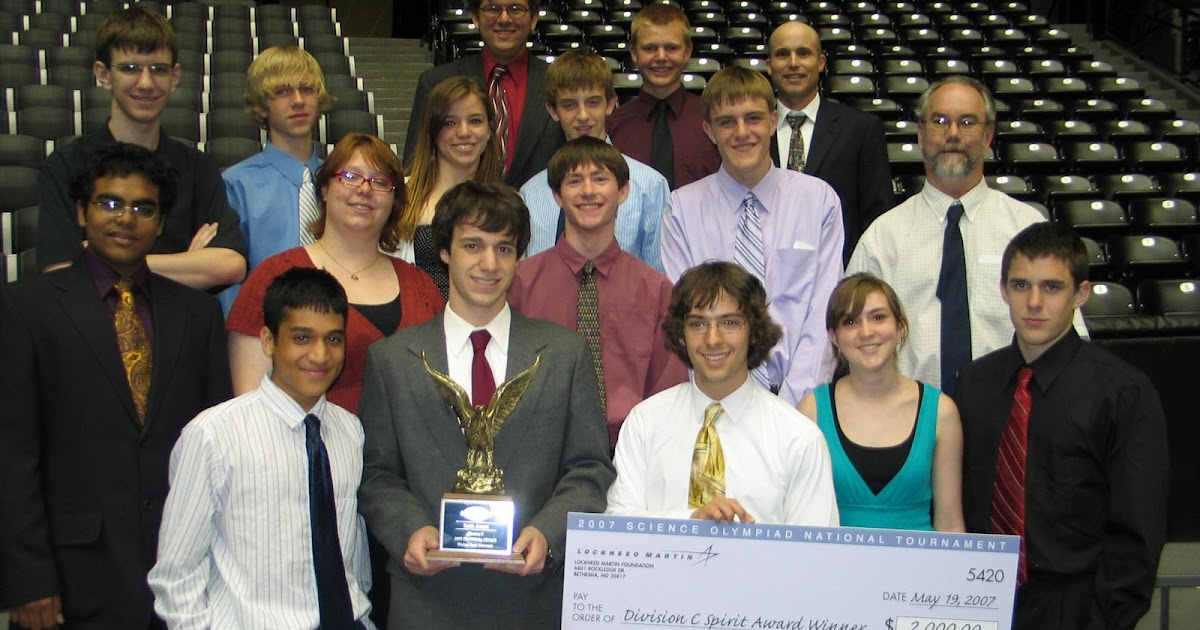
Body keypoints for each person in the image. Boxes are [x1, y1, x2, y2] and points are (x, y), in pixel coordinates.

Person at [357, 181, 615, 628]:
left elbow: (590, 467)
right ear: (444, 252)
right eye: (473, 245)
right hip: (427, 601)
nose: (489, 264)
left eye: (504, 248)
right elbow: (377, 473)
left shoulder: (564, 353)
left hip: (531, 600)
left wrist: (548, 533)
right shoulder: (391, 360)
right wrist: (409, 531)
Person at [0, 143, 232, 630]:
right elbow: (12, 454)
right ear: (81, 212)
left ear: (161, 221)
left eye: (142, 208)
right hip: (72, 577)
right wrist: (27, 579)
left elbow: (218, 450)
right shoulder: (26, 309)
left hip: (183, 574)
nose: (125, 218)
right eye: (109, 203)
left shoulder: (198, 313)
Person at [955, 222, 1168, 629]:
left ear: (1080, 294)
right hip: (979, 603)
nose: (1033, 301)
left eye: (1051, 287)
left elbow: (1138, 530)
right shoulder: (975, 384)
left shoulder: (1123, 393)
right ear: (1003, 290)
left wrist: (1102, 620)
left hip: (1077, 607)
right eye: (1020, 285)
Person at [150, 268, 375, 629]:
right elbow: (177, 575)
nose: (320, 355)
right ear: (269, 341)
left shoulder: (350, 431)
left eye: (333, 340)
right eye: (302, 337)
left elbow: (351, 551)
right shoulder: (214, 435)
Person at [847, 76, 1086, 396]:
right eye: (940, 121)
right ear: (921, 134)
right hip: (913, 425)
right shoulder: (883, 236)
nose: (953, 133)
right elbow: (851, 341)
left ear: (988, 136)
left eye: (968, 122)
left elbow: (1070, 341)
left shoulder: (1027, 228)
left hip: (1014, 422)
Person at [661, 65, 843, 405]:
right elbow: (685, 319)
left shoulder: (819, 201)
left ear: (774, 121)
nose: (741, 132)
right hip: (712, 401)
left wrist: (792, 407)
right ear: (709, 130)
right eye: (727, 121)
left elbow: (824, 314)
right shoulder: (681, 210)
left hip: (799, 404)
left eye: (753, 118)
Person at [607, 261, 838, 526]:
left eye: (729, 322)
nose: (713, 339)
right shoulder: (644, 423)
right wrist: (691, 520)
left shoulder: (799, 438)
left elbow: (815, 557)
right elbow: (616, 524)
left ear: (753, 331)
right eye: (697, 324)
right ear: (681, 335)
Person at [226, 133, 443, 414]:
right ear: (325, 189)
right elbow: (250, 407)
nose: (364, 189)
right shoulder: (274, 277)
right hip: (310, 451)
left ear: (394, 202)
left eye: (380, 182)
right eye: (350, 176)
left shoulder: (421, 286)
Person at [37, 7, 246, 291]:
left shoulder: (197, 168)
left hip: (178, 329)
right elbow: (60, 271)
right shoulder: (65, 165)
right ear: (103, 74)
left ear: (174, 77)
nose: (146, 83)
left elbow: (230, 265)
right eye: (130, 68)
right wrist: (187, 261)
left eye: (158, 70)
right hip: (90, 330)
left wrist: (101, 258)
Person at [509, 137, 687, 448]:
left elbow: (670, 392)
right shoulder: (519, 285)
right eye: (574, 181)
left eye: (600, 179)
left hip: (631, 454)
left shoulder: (657, 292)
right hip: (537, 450)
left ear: (623, 191)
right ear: (556, 196)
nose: (588, 191)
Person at [796, 273, 964, 532]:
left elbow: (950, 521)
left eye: (878, 317)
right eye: (850, 321)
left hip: (919, 570)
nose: (866, 332)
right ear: (833, 336)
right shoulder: (811, 411)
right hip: (834, 569)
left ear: (901, 327)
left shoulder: (941, 412)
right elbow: (800, 518)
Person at [520, 50, 669, 272]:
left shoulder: (649, 185)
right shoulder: (531, 193)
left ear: (610, 104)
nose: (582, 116)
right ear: (552, 110)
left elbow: (659, 278)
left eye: (592, 102)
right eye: (569, 105)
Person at [766, 21, 893, 265]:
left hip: (841, 277)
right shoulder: (751, 132)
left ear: (821, 62)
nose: (793, 63)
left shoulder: (861, 129)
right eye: (783, 54)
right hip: (767, 279)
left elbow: (877, 216)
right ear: (770, 66)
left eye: (803, 53)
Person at [218, 45, 333, 313]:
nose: (297, 101)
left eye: (307, 89)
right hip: (262, 333)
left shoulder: (340, 181)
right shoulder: (237, 185)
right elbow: (229, 286)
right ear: (261, 107)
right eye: (282, 92)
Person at [402, 0, 563, 187]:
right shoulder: (435, 82)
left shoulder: (560, 85)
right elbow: (416, 166)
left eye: (515, 9)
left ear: (534, 18)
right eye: (492, 9)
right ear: (475, 17)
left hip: (541, 213)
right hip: (454, 211)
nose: (504, 19)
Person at [397, 75, 501, 299]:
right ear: (433, 131)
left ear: (490, 130)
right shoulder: (401, 197)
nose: (464, 132)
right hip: (417, 327)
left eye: (475, 121)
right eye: (450, 122)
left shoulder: (509, 203)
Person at [607, 3, 720, 189]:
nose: (661, 57)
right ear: (634, 53)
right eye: (650, 48)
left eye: (671, 48)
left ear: (688, 52)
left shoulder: (713, 118)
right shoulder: (613, 127)